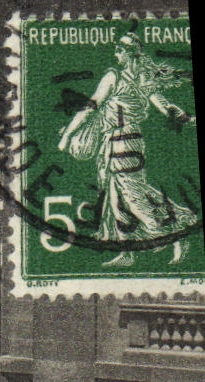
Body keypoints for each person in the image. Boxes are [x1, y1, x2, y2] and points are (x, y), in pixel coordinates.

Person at [57, 31, 199, 265]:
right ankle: (126, 251)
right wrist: (182, 116)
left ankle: (176, 230)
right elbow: (165, 106)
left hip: (123, 141)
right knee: (115, 197)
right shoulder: (141, 79)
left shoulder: (114, 77)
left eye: (120, 49)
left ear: (130, 54)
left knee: (133, 195)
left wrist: (68, 135)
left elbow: (90, 107)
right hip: (123, 141)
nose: (116, 53)